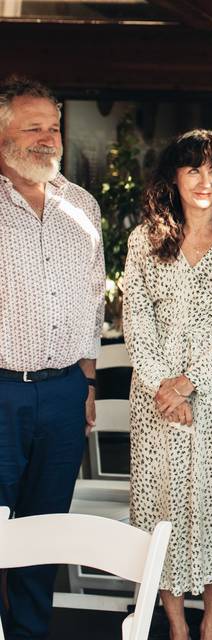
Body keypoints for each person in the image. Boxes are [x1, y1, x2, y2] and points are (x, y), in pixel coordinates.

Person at [122, 129, 212, 640]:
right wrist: (164, 387)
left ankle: (210, 622)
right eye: (193, 169)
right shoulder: (144, 240)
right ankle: (177, 626)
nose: (205, 181)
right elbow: (135, 318)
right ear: (174, 177)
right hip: (155, 400)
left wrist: (186, 384)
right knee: (163, 511)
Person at [0, 75, 104, 640]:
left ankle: (30, 633)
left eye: (54, 127)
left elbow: (94, 305)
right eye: (32, 127)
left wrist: (87, 386)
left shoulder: (81, 205)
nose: (47, 138)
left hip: (64, 392)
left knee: (44, 530)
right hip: (1, 391)